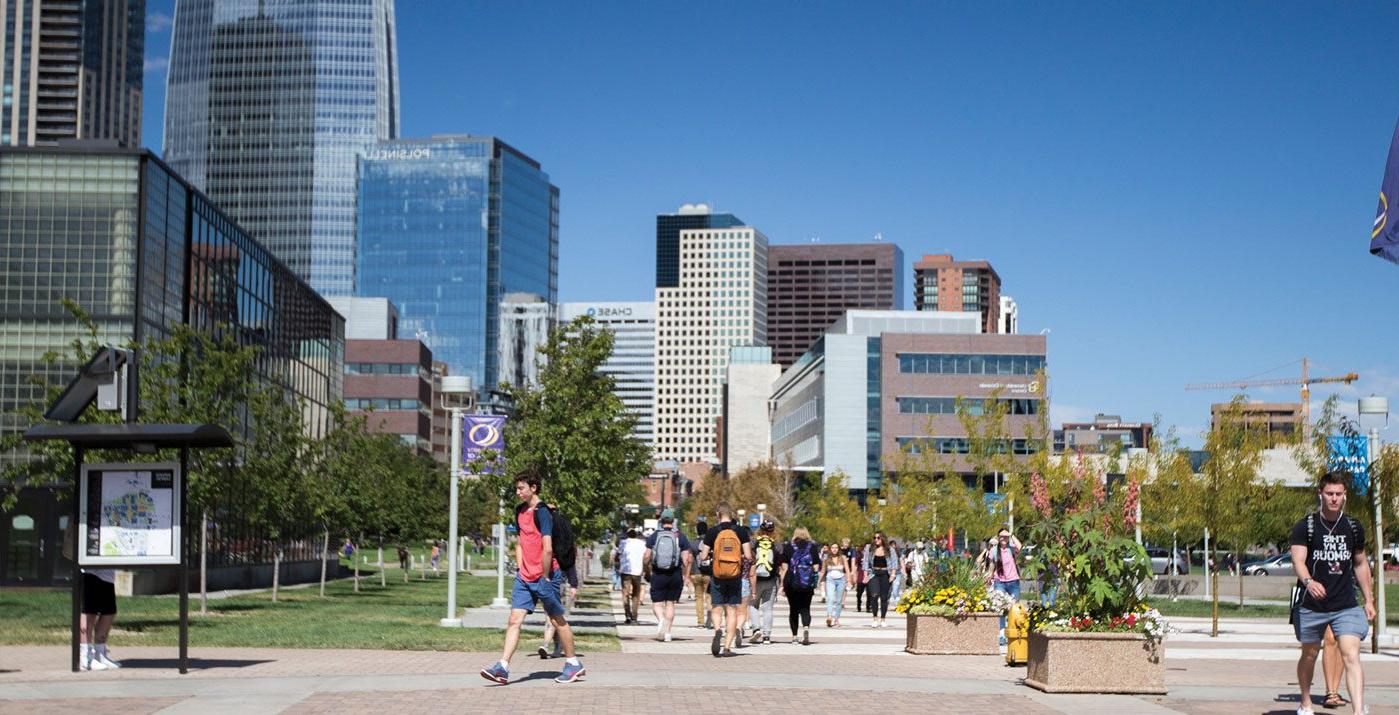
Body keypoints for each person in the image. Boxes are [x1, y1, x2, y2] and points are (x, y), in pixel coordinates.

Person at [479, 470, 583, 685]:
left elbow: (547, 548)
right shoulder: (519, 511)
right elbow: (520, 542)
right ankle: (503, 667)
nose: (517, 492)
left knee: (556, 620)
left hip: (546, 576)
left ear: (533, 488)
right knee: (514, 620)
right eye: (516, 488)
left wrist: (544, 576)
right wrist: (521, 568)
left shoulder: (543, 512)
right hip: (524, 577)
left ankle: (573, 664)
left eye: (521, 488)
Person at [1290, 471, 1375, 715]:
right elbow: (1298, 560)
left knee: (1351, 654)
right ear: (1321, 494)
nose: (1334, 499)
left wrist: (1368, 599)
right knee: (1310, 654)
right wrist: (1308, 581)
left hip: (1346, 604)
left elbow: (1360, 564)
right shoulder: (1306, 526)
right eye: (1330, 494)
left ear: (1345, 496)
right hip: (1312, 606)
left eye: (1339, 494)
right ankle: (1306, 702)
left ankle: (1358, 710)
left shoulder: (1353, 527)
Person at [698, 503, 753, 657]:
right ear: (732, 514)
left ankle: (717, 630)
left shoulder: (712, 532)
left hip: (717, 574)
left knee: (716, 607)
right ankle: (727, 647)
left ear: (718, 514)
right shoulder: (741, 531)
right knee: (731, 610)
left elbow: (703, 556)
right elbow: (748, 556)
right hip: (735, 575)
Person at [645, 514, 692, 641]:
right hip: (675, 573)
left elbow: (646, 556)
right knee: (670, 603)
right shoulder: (680, 537)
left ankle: (661, 620)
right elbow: (686, 559)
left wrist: (646, 568)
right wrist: (685, 573)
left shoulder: (654, 536)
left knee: (657, 603)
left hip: (658, 573)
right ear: (673, 521)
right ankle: (668, 633)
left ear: (661, 521)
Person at [779, 527, 822, 645]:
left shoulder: (788, 547)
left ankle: (794, 637)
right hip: (807, 583)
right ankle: (806, 627)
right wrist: (814, 581)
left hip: (791, 582)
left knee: (793, 609)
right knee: (805, 608)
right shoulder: (812, 547)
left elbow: (784, 567)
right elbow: (816, 566)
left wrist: (782, 585)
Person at [747, 520, 783, 644]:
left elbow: (749, 559)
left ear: (760, 530)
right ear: (773, 531)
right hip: (771, 580)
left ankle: (756, 628)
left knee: (752, 605)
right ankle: (767, 637)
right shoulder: (777, 545)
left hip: (755, 580)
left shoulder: (753, 543)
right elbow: (780, 564)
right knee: (768, 609)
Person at [985, 526, 1023, 644]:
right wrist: (989, 575)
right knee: (1000, 608)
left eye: (1005, 536)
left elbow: (1020, 547)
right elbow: (992, 565)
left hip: (1013, 582)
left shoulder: (1012, 549)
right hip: (999, 582)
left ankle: (1013, 632)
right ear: (998, 537)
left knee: (1014, 609)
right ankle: (1002, 634)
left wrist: (1011, 535)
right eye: (1001, 536)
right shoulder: (994, 550)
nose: (1003, 538)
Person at [538, 558, 580, 659]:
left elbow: (570, 564)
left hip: (558, 583)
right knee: (553, 617)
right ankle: (558, 646)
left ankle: (546, 644)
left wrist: (573, 584)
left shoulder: (560, 547)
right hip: (545, 581)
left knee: (551, 615)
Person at [80, 569, 120, 670]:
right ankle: (85, 657)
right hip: (90, 572)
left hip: (108, 576)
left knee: (109, 612)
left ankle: (100, 654)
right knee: (89, 612)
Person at [863, 533, 899, 627]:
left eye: (878, 538)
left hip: (885, 574)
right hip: (873, 574)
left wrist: (893, 574)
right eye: (874, 538)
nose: (876, 539)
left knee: (884, 598)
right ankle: (875, 618)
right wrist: (865, 576)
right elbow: (866, 563)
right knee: (874, 596)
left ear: (882, 538)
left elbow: (895, 562)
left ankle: (883, 619)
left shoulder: (890, 550)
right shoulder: (870, 549)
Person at [619, 529, 647, 624]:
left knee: (625, 593)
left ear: (627, 535)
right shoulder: (642, 543)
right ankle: (634, 616)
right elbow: (645, 556)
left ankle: (627, 615)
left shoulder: (623, 542)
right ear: (636, 535)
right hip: (637, 571)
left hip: (625, 571)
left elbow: (619, 554)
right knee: (636, 594)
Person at [690, 520, 711, 627]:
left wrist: (687, 574)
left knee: (698, 598)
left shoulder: (693, 543)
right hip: (708, 573)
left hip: (696, 573)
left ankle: (700, 622)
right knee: (709, 597)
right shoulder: (710, 542)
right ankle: (710, 619)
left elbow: (689, 559)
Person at [823, 542, 849, 627]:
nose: (834, 549)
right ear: (830, 549)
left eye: (836, 548)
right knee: (830, 598)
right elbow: (823, 571)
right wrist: (818, 582)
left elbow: (847, 570)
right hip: (830, 580)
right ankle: (830, 617)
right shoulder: (826, 558)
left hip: (841, 580)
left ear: (839, 549)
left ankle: (836, 619)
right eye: (833, 548)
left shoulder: (843, 558)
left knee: (838, 601)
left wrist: (849, 580)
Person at [853, 540, 868, 612]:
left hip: (869, 575)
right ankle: (859, 605)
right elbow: (856, 566)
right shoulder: (859, 555)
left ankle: (868, 607)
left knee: (870, 593)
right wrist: (855, 576)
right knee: (859, 593)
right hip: (861, 575)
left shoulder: (872, 555)